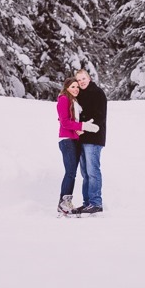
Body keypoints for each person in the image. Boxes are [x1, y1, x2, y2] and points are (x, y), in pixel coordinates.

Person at [56, 77, 99, 215]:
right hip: (67, 140)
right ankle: (63, 203)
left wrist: (80, 128)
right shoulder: (63, 99)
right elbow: (65, 122)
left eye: (77, 87)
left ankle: (65, 202)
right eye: (73, 86)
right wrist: (82, 126)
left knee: (72, 173)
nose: (76, 89)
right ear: (66, 87)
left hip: (74, 139)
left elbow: (69, 119)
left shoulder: (73, 101)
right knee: (70, 173)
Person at [72, 68, 107, 216]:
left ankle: (96, 203)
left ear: (89, 78)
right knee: (85, 173)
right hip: (81, 138)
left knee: (93, 171)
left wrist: (84, 128)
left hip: (93, 138)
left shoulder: (97, 93)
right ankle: (87, 203)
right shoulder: (80, 95)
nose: (81, 82)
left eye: (83, 79)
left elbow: (98, 117)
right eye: (79, 80)